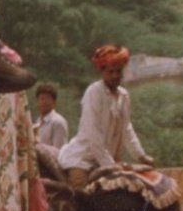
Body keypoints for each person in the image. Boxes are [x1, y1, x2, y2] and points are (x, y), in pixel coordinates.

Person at [58, 45, 153, 188]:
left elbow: (127, 129)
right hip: (84, 159)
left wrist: (141, 155)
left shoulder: (124, 95)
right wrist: (110, 165)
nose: (115, 75)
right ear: (102, 72)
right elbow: (93, 134)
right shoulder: (94, 92)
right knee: (81, 193)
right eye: (110, 71)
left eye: (118, 71)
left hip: (109, 160)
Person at [33, 83, 69, 150]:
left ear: (54, 102)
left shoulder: (58, 122)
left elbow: (59, 151)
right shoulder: (37, 122)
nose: (44, 102)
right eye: (42, 98)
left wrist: (38, 147)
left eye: (48, 98)